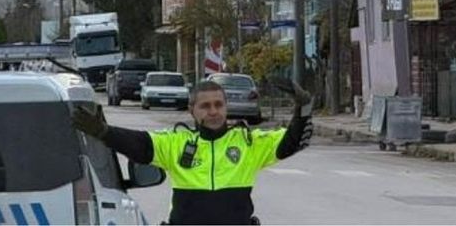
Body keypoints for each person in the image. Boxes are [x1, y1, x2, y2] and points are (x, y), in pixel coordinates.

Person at [72, 77, 313, 225]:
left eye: (218, 105)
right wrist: (103, 132)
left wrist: (303, 108)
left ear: (226, 108)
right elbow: (140, 144)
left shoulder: (248, 142)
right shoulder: (176, 142)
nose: (213, 111)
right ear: (192, 110)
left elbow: (292, 141)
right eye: (205, 106)